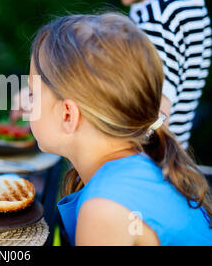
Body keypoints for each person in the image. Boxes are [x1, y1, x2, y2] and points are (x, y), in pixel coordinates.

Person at [27, 12, 212, 245]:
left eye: (32, 94)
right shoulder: (139, 168)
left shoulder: (105, 208)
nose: (27, 104)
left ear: (67, 115)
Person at [79, 0, 211, 149]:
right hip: (166, 173)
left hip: (140, 174)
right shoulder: (190, 7)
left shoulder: (159, 17)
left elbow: (153, 120)